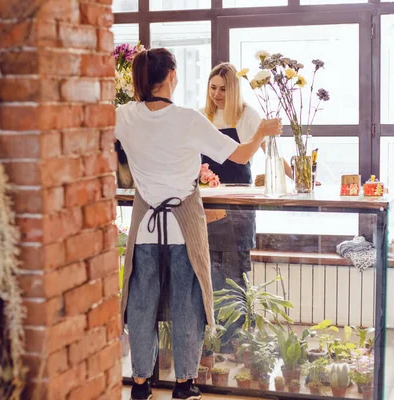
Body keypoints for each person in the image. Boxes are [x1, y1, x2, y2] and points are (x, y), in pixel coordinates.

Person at [116, 49, 282, 400]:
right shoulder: (188, 119)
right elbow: (239, 155)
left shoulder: (124, 116)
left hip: (145, 226)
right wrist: (263, 132)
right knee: (186, 303)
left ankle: (141, 384)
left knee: (142, 305)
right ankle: (184, 384)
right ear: (172, 76)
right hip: (185, 228)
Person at [200, 62, 293, 351]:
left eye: (223, 89)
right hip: (207, 209)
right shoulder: (203, 116)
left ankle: (233, 343)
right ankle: (214, 341)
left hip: (238, 209)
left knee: (233, 275)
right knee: (211, 275)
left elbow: (271, 153)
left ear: (234, 90)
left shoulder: (248, 117)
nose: (217, 94)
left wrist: (297, 174)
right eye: (213, 87)